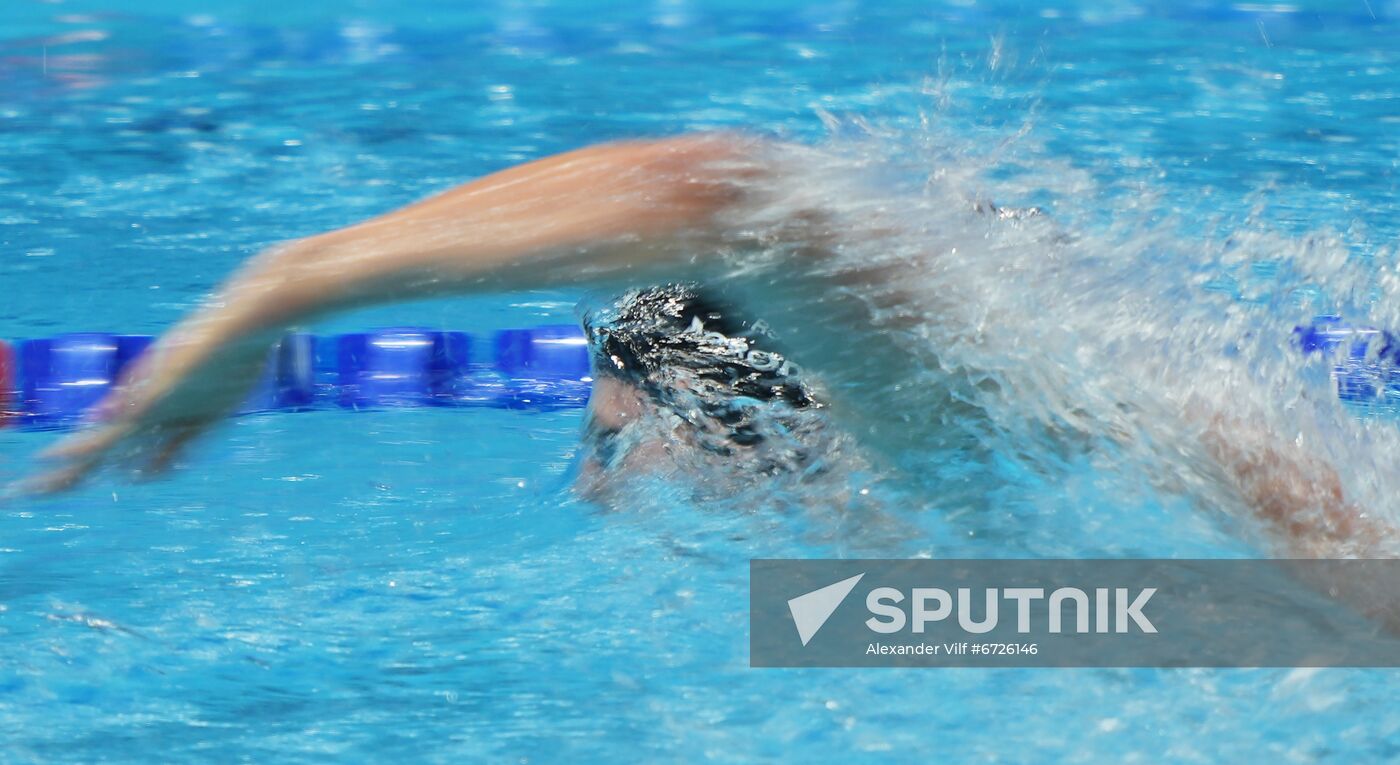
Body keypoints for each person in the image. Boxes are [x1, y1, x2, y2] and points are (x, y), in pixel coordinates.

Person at [19, 133, 1392, 562]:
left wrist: (283, 283)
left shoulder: (951, 452)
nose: (600, 486)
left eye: (617, 434)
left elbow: (727, 198)